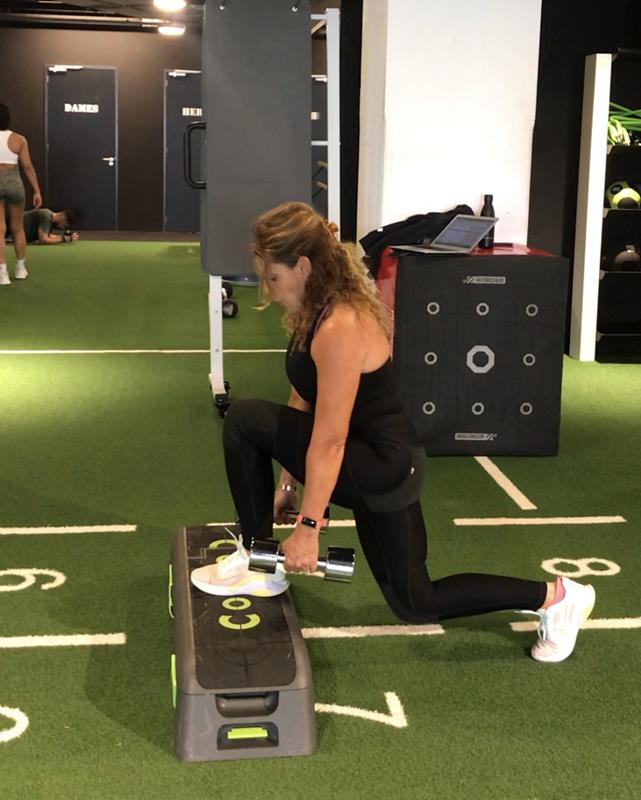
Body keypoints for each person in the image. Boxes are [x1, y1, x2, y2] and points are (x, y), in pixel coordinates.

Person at [192, 201, 596, 664]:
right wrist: (287, 483)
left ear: (302, 267)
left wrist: (308, 527)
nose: (268, 289)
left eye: (273, 277)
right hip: (367, 457)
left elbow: (329, 440)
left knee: (416, 602)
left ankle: (558, 598)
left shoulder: (340, 326)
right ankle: (258, 558)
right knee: (413, 600)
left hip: (382, 468)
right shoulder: (314, 308)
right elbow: (303, 396)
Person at [0, 102, 42, 285]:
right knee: (18, 228)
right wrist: (36, 190)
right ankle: (20, 269)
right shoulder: (19, 139)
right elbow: (27, 166)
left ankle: (2, 274)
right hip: (14, 183)